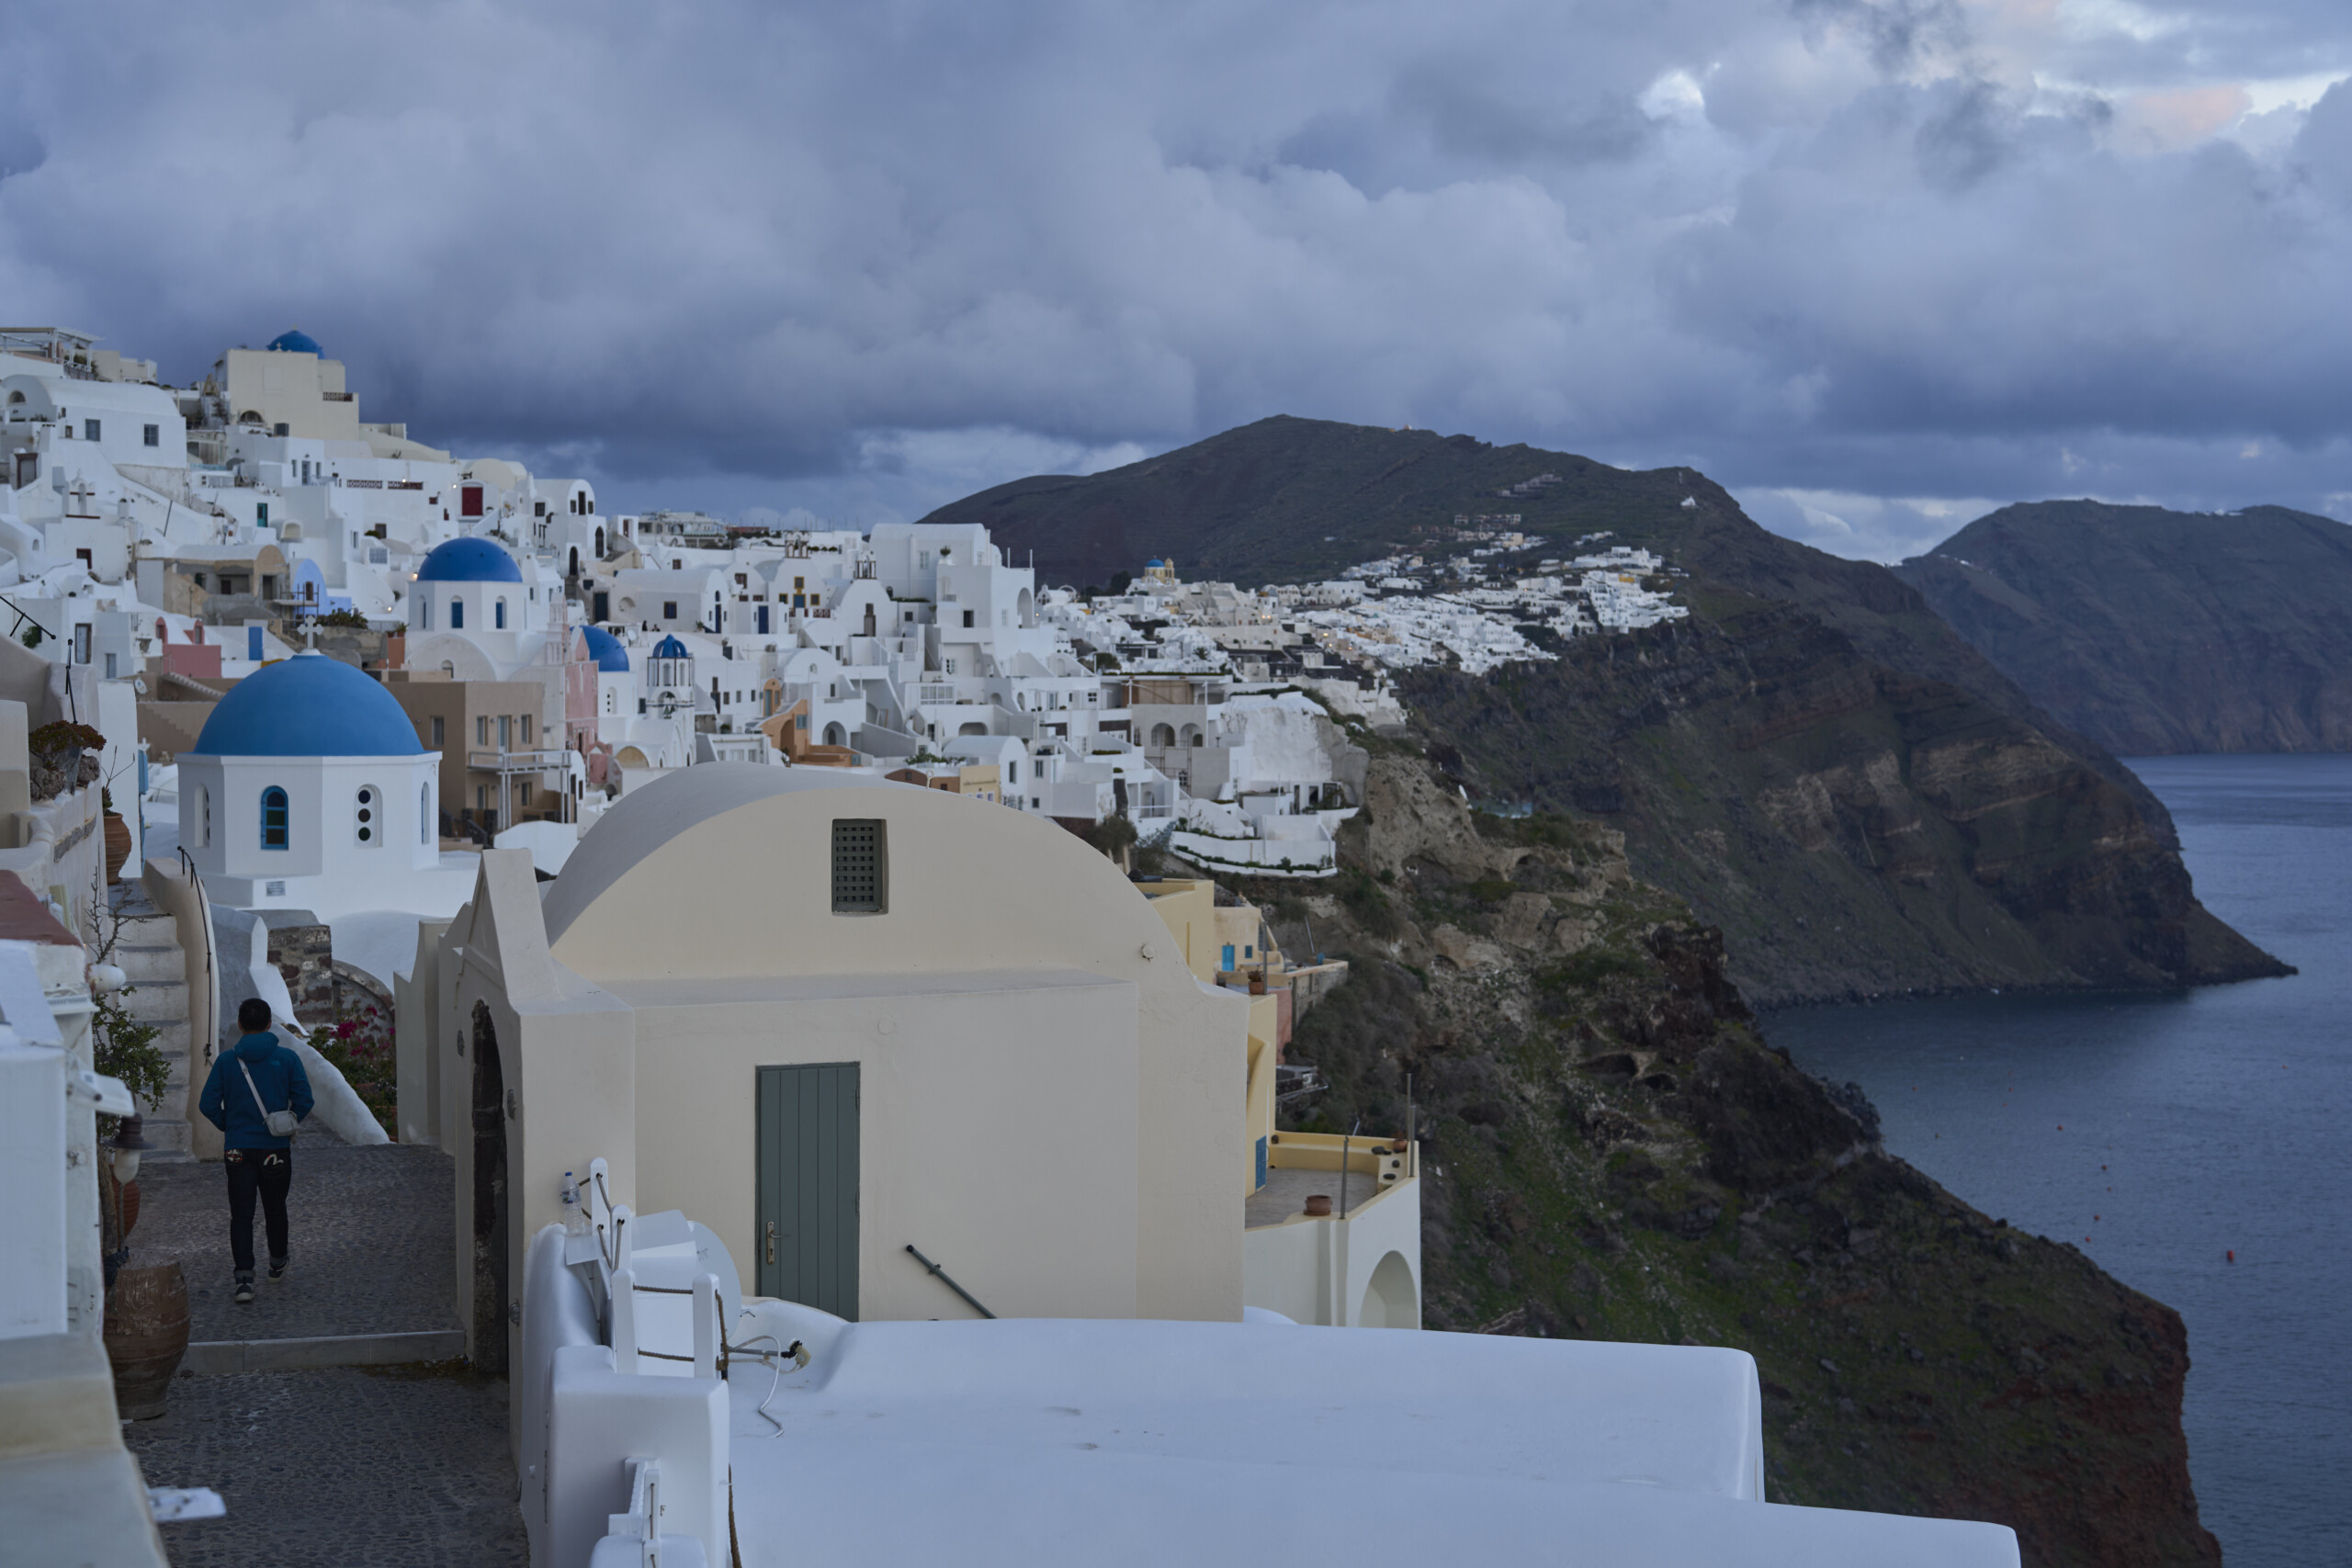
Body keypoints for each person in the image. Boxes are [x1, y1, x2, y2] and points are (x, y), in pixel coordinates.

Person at [198, 998, 315, 1304]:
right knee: (275, 1208)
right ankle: (277, 1263)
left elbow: (207, 1104)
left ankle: (244, 1280)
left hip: (238, 1149)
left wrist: (231, 1127)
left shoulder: (225, 1062)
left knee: (241, 1214)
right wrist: (286, 1124)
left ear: (240, 1025)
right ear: (269, 1025)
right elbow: (304, 1101)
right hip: (275, 1149)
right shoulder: (287, 1059)